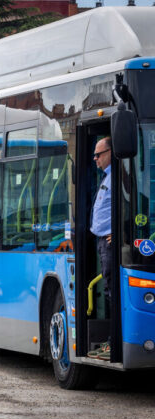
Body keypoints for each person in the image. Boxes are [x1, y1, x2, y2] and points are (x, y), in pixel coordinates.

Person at [88, 137, 112, 361]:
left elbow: (133, 200)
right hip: (102, 239)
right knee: (107, 288)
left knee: (110, 290)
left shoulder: (119, 175)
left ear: (111, 152)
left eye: (99, 154)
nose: (95, 158)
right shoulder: (107, 177)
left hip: (110, 241)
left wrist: (121, 229)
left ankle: (113, 342)